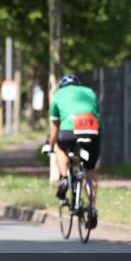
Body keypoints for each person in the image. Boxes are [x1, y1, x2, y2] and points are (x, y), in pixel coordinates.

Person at [47, 74, 101, 229]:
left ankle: (64, 177)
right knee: (90, 171)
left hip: (68, 131)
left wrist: (51, 146)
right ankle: (92, 207)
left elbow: (55, 126)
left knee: (60, 148)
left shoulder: (58, 94)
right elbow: (97, 114)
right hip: (92, 131)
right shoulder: (90, 92)